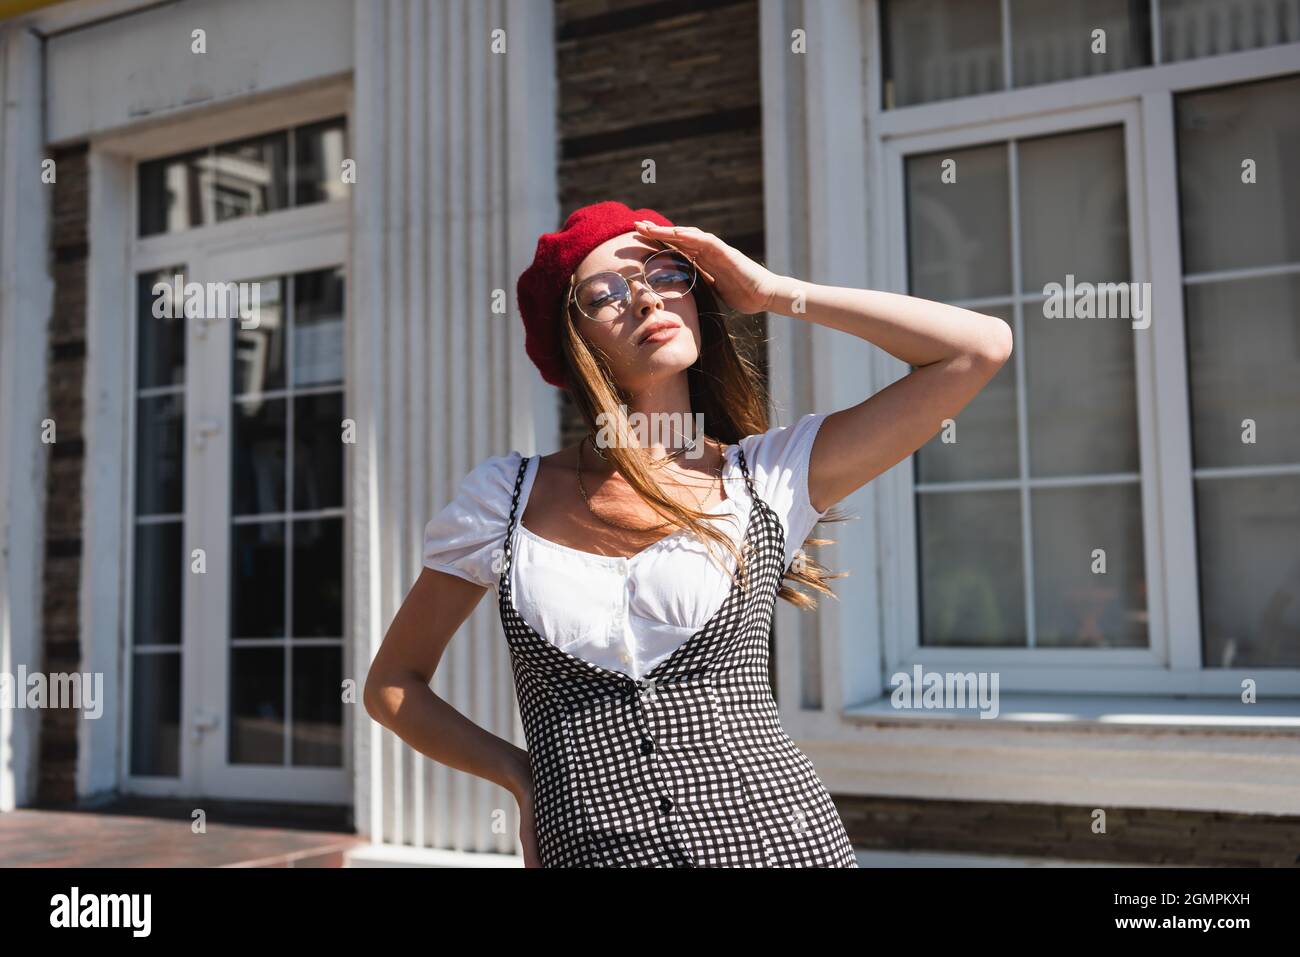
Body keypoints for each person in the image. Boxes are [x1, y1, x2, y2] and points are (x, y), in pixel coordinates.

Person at [363, 200, 1012, 867]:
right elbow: (393, 684)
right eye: (605, 294)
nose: (645, 298)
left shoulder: (768, 476)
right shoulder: (503, 499)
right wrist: (524, 777)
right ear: (575, 343)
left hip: (779, 847)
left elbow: (978, 348)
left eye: (666, 272)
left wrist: (773, 292)